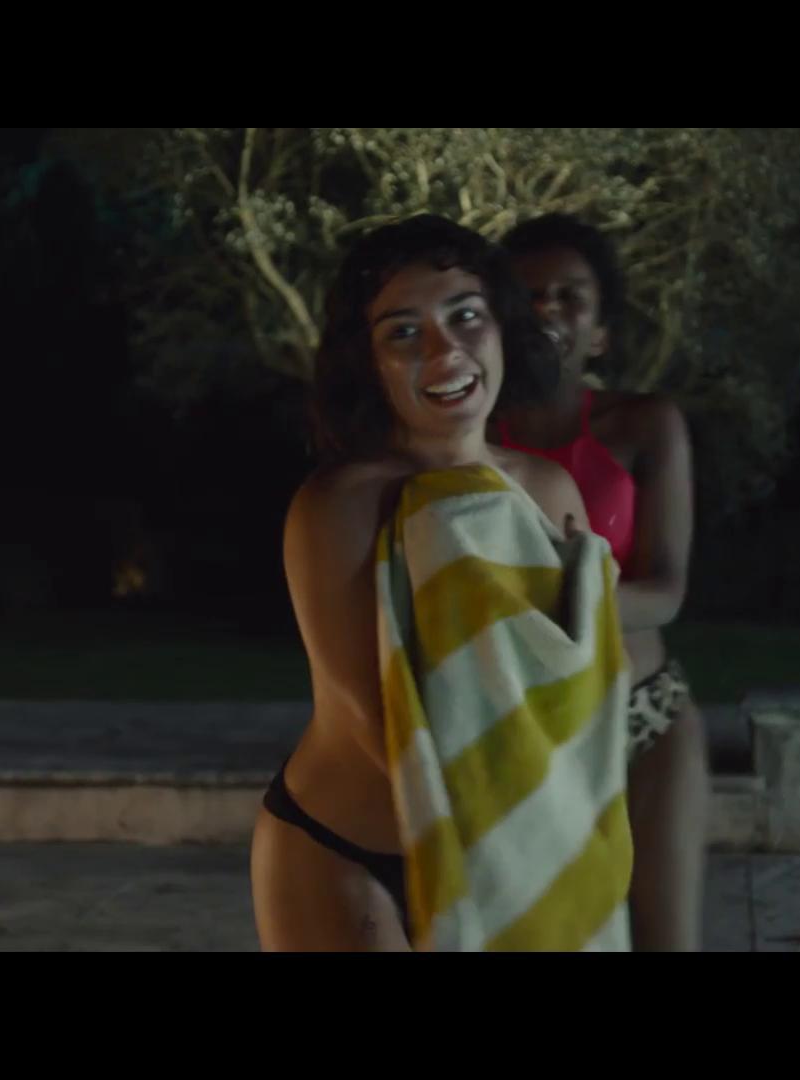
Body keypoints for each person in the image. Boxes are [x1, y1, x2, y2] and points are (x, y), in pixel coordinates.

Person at [250, 215, 597, 951]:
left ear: (502, 327)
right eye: (403, 333)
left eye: (466, 316)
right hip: (349, 853)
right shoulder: (339, 504)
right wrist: (510, 847)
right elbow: (374, 715)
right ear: (369, 363)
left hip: (511, 855)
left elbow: (571, 685)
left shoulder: (551, 490)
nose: (444, 351)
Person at [494, 213, 707, 952]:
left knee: (664, 941)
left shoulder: (646, 425)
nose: (547, 309)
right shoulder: (469, 443)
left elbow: (667, 590)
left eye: (570, 296)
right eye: (527, 295)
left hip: (644, 720)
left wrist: (558, 595)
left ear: (602, 333)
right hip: (521, 730)